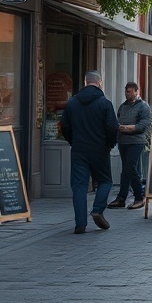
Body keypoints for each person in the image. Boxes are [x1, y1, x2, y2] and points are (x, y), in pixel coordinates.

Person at [60, 70, 119, 234]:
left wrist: (73, 141)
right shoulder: (105, 103)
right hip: (99, 149)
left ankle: (80, 224)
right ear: (99, 82)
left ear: (85, 82)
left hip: (79, 149)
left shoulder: (72, 102)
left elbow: (64, 126)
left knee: (79, 186)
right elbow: (113, 127)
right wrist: (109, 144)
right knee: (106, 181)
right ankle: (97, 209)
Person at [108, 81, 151, 211]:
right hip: (123, 142)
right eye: (126, 91)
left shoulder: (143, 107)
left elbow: (142, 126)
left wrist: (126, 128)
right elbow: (117, 122)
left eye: (130, 91)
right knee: (125, 170)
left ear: (136, 92)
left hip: (136, 142)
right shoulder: (123, 106)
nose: (127, 94)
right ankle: (121, 198)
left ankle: (139, 198)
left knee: (131, 168)